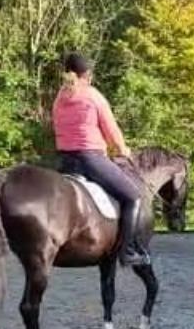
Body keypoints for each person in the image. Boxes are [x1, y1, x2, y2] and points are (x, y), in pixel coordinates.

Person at [51, 52, 150, 266]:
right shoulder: (93, 95)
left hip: (65, 161)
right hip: (90, 159)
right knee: (133, 197)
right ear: (87, 74)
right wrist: (123, 148)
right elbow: (111, 129)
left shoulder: (60, 96)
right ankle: (127, 251)